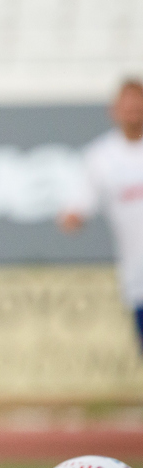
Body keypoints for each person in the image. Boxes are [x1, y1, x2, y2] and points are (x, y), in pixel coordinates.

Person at [59, 77, 143, 350]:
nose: (133, 111)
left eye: (138, 105)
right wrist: (72, 217)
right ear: (114, 111)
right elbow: (79, 203)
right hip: (137, 276)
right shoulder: (101, 157)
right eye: (127, 106)